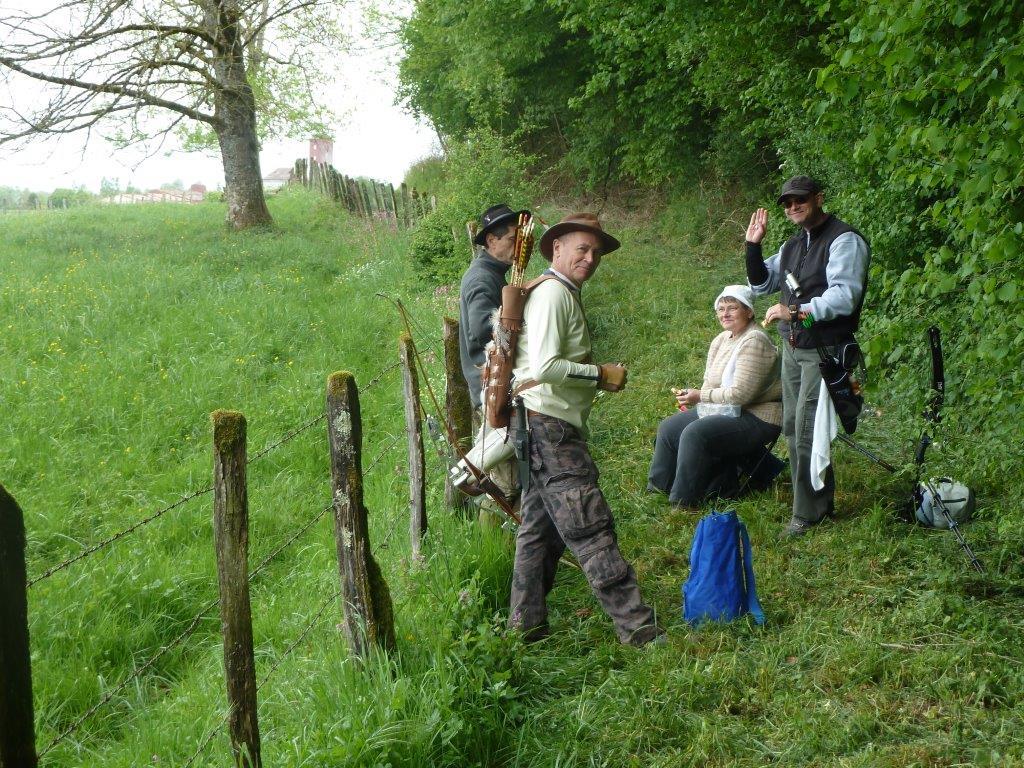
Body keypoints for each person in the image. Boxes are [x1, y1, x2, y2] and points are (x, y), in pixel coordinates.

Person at [508, 212, 663, 647]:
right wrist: (599, 374)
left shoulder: (555, 290)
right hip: (549, 426)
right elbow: (545, 367)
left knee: (539, 532)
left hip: (537, 424)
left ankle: (524, 631)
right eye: (582, 248)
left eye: (596, 252)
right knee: (588, 523)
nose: (590, 258)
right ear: (557, 248)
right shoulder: (554, 294)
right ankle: (639, 629)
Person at [744, 175, 870, 537]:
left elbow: (844, 296)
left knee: (806, 431)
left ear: (818, 198)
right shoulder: (792, 245)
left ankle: (808, 513)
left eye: (800, 199)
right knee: (792, 425)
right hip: (793, 347)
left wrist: (796, 311)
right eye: (786, 203)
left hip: (824, 350)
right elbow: (761, 284)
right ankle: (818, 498)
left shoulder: (844, 240)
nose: (793, 207)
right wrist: (753, 246)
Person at [647, 285, 783, 509]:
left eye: (732, 308)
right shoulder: (721, 339)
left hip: (759, 416)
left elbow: (741, 395)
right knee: (669, 428)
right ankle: (658, 488)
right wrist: (697, 397)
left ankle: (683, 503)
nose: (725, 314)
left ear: (749, 311)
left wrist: (701, 396)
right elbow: (709, 382)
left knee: (695, 434)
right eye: (721, 309)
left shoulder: (755, 340)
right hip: (726, 409)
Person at [456, 203, 528, 509]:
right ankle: (495, 534)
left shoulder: (494, 273)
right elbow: (481, 328)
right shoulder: (481, 278)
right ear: (491, 240)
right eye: (512, 239)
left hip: (496, 386)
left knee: (505, 479)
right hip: (490, 389)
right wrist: (522, 323)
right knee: (502, 487)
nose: (517, 246)